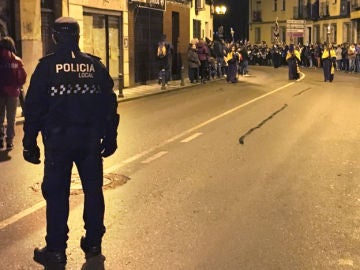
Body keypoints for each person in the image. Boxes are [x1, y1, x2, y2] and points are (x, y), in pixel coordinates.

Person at [22, 17, 119, 269]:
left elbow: (33, 108)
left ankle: (55, 250)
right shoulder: (94, 66)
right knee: (93, 192)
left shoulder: (46, 67)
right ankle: (94, 242)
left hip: (58, 144)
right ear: (78, 37)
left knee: (56, 196)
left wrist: (29, 142)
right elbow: (109, 104)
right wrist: (111, 135)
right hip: (89, 142)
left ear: (54, 37)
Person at [0, 36, 27, 150]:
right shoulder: (17, 60)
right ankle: (9, 140)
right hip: (13, 93)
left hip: (0, 92)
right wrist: (17, 86)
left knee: (0, 117)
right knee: (11, 118)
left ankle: (0, 139)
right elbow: (23, 77)